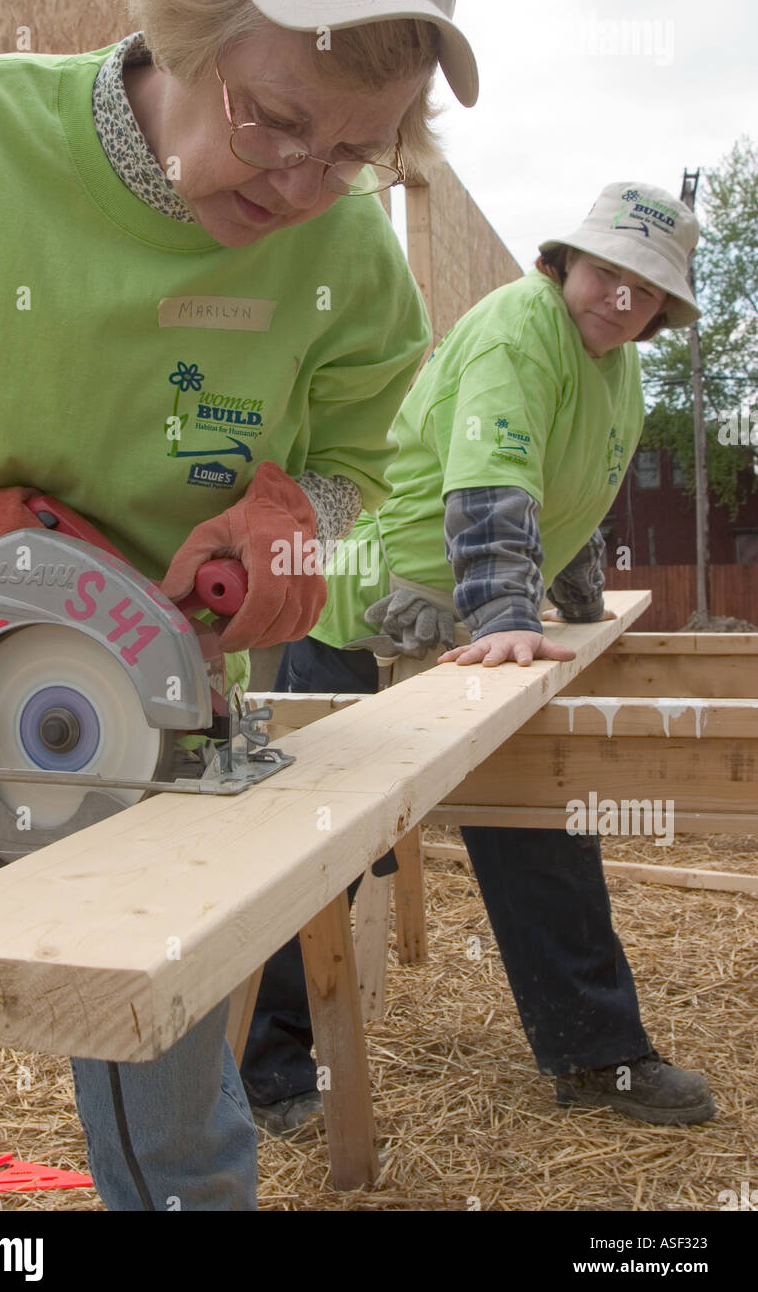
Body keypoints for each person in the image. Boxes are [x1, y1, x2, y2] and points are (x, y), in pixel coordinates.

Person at [0, 0, 480, 1209]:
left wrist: (294, 522)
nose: (294, 183)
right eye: (271, 118)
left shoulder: (343, 253)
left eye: (351, 151)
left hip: (164, 717)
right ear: (187, 19)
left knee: (179, 1126)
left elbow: (365, 462)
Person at [244, 182, 716, 1132]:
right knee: (315, 848)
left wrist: (577, 603)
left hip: (465, 624)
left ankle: (595, 1056)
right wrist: (505, 609)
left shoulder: (613, 365)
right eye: (606, 274)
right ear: (564, 262)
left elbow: (566, 483)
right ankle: (272, 1073)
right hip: (364, 610)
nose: (619, 300)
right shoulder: (520, 329)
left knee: (540, 813)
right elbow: (492, 481)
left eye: (643, 291)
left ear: (661, 311)